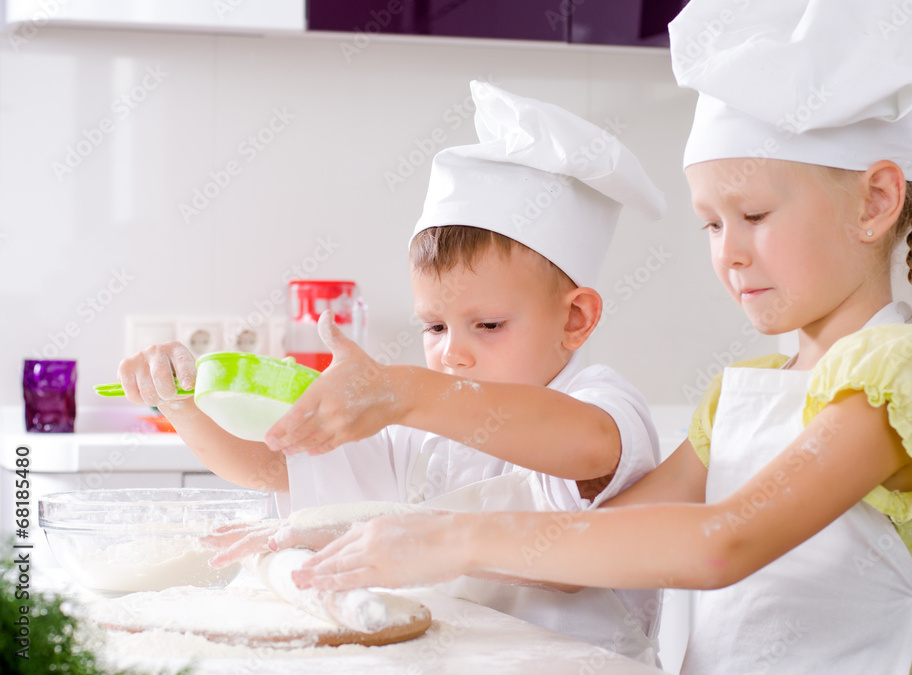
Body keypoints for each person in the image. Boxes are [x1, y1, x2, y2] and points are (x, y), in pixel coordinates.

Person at [269, 2, 912, 674]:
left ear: (876, 201)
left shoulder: (904, 382)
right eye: (711, 223)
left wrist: (451, 537)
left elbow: (720, 543)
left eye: (755, 213)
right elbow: (593, 540)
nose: (728, 252)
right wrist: (382, 535)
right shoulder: (745, 391)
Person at [116, 80, 668, 663]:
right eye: (434, 327)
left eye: (487, 326)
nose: (452, 354)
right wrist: (180, 405)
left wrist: (409, 391)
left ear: (575, 318)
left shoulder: (599, 402)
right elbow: (272, 464)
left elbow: (588, 447)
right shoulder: (423, 432)